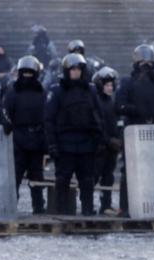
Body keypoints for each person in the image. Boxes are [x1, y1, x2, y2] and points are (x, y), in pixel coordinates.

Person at [114, 44, 154, 216]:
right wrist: (136, 111)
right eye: (143, 61)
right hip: (135, 132)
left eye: (149, 62)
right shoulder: (128, 83)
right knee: (129, 171)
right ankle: (125, 207)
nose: (146, 65)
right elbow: (118, 105)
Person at [45, 53, 104, 216]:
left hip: (86, 143)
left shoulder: (90, 90)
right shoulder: (57, 91)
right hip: (65, 143)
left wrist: (99, 140)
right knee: (63, 180)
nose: (76, 72)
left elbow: (97, 116)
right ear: (66, 70)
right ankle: (61, 211)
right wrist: (52, 144)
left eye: (79, 69)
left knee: (87, 180)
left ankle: (87, 210)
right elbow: (49, 119)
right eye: (73, 69)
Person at [3, 56, 48, 214]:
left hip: (36, 139)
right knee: (15, 176)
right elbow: (5, 112)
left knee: (36, 177)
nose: (27, 76)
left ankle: (39, 207)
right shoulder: (13, 91)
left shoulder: (42, 92)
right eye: (25, 73)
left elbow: (46, 116)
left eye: (30, 73)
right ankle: (11, 206)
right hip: (19, 139)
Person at [93, 66, 121, 214]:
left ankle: (106, 204)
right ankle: (88, 203)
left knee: (108, 177)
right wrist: (108, 140)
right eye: (107, 85)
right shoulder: (97, 101)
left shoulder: (111, 101)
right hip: (99, 147)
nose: (110, 88)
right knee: (94, 176)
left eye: (111, 85)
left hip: (111, 147)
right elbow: (97, 125)